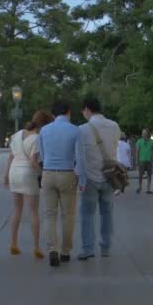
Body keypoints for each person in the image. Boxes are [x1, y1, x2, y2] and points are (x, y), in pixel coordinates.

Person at [4, 110, 54, 259]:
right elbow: (33, 161)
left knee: (17, 211)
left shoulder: (17, 134)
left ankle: (13, 243)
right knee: (33, 212)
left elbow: (10, 157)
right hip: (27, 173)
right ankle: (36, 247)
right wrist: (42, 173)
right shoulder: (37, 138)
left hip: (14, 172)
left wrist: (5, 175)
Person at [76, 97, 121, 260]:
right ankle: (106, 248)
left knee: (87, 214)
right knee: (107, 213)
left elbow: (79, 157)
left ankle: (88, 249)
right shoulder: (115, 126)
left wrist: (79, 179)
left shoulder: (82, 129)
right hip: (109, 176)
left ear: (87, 109)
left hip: (89, 178)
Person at [39, 99, 82, 267]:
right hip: (67, 173)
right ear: (68, 112)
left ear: (53, 114)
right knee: (68, 215)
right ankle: (65, 251)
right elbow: (80, 157)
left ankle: (52, 249)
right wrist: (80, 178)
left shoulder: (44, 130)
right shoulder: (75, 130)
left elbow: (41, 155)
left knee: (49, 215)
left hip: (48, 173)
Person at [135, 129, 153, 194]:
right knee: (140, 175)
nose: (143, 134)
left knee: (149, 175)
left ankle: (148, 189)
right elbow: (137, 151)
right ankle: (140, 187)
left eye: (144, 133)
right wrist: (136, 160)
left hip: (149, 161)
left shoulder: (152, 142)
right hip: (142, 161)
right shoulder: (139, 141)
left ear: (148, 134)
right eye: (142, 133)